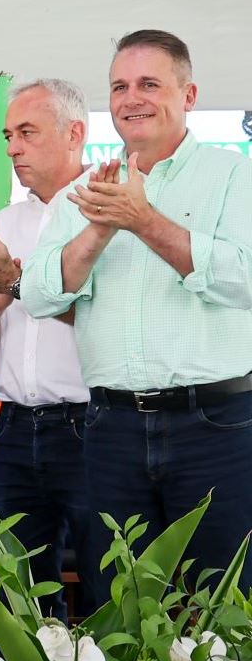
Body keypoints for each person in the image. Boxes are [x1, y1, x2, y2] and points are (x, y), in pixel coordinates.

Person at [22, 31, 252, 588]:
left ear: (188, 95)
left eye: (149, 84)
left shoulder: (233, 176)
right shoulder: (88, 191)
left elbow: (243, 279)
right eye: (119, 87)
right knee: (120, 604)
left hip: (216, 425)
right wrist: (98, 230)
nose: (131, 99)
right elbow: (38, 296)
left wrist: (144, 220)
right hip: (111, 427)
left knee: (221, 604)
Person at [0, 79, 94, 621]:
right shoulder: (6, 222)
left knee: (106, 585)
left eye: (27, 133)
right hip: (13, 426)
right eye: (8, 135)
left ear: (74, 134)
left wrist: (14, 286)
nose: (13, 148)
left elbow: (111, 320)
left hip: (91, 424)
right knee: (12, 593)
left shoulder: (107, 217)